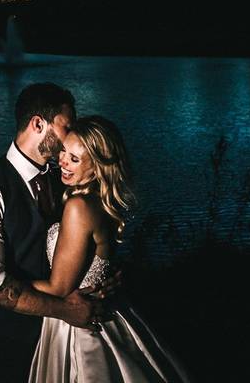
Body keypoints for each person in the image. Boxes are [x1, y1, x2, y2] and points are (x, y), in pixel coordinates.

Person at [0, 83, 105, 382]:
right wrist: (65, 310)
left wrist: (100, 271)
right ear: (39, 123)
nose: (72, 135)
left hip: (55, 342)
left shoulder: (63, 180)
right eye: (68, 125)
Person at [28, 116, 192, 382]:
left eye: (75, 159)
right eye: (63, 152)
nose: (63, 162)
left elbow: (59, 289)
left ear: (97, 168)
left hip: (78, 326)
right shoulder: (98, 202)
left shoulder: (78, 207)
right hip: (108, 311)